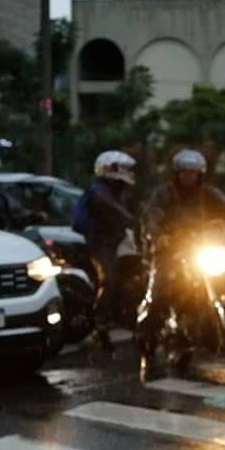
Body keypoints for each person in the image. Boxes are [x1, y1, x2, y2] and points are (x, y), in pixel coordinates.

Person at [137, 149, 225, 378]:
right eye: (184, 173)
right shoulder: (163, 194)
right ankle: (148, 343)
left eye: (193, 173)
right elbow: (150, 216)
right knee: (159, 295)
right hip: (170, 254)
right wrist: (159, 235)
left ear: (200, 174)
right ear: (177, 174)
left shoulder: (208, 194)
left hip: (200, 250)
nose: (189, 177)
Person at [80, 150, 139, 353]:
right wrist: (130, 219)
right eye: (124, 168)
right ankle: (100, 322)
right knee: (109, 278)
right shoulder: (98, 191)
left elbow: (140, 210)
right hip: (101, 243)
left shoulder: (123, 191)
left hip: (120, 241)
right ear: (111, 169)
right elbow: (115, 210)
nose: (129, 172)